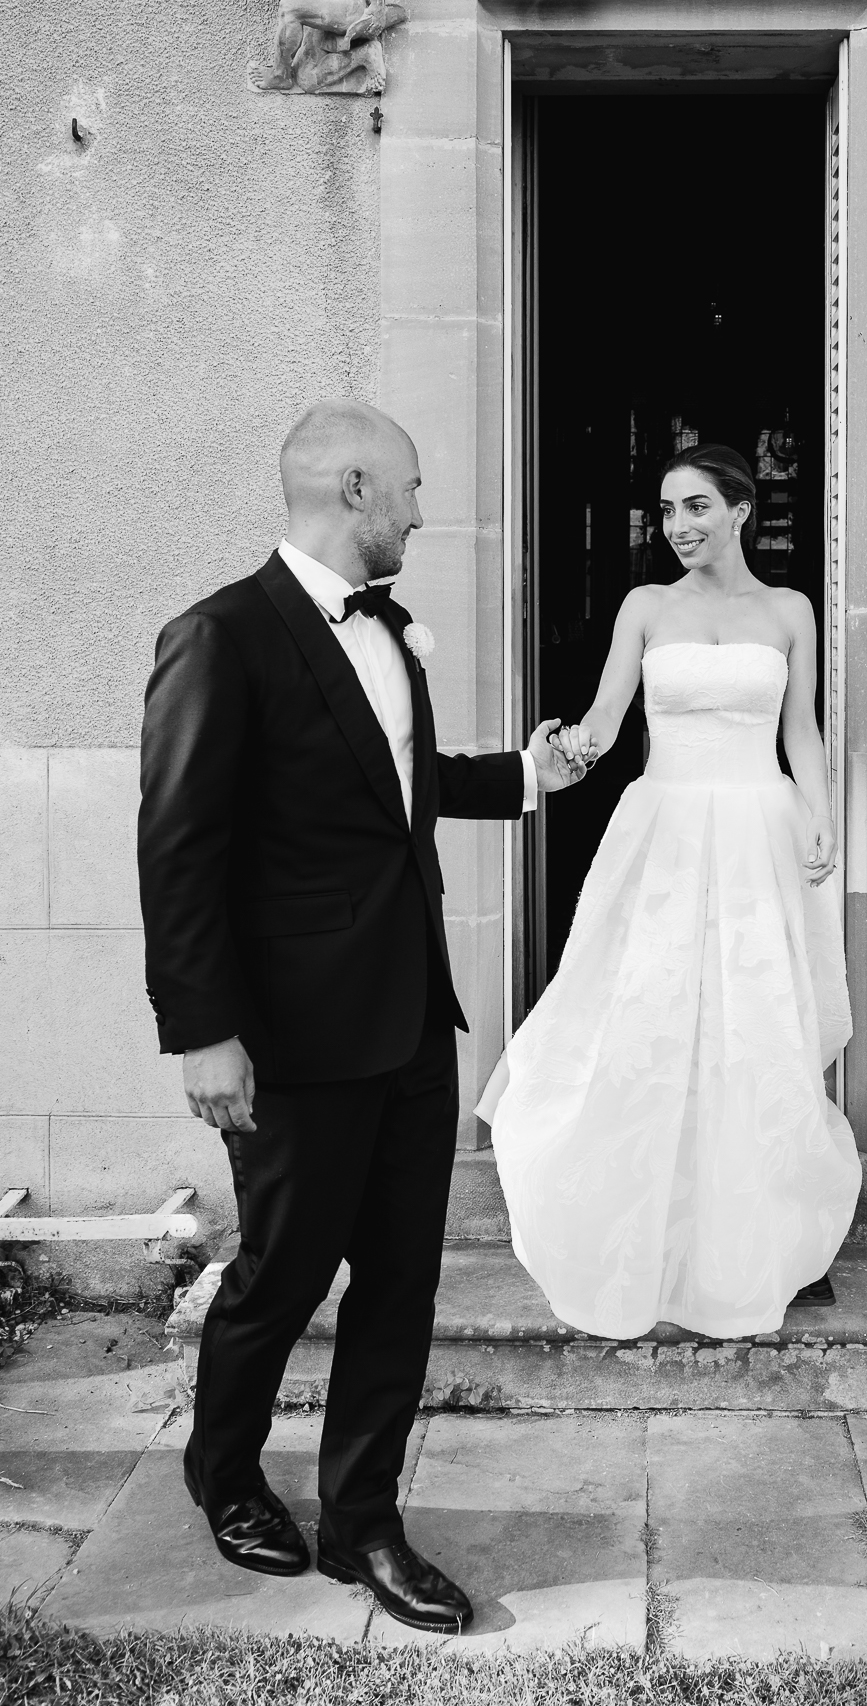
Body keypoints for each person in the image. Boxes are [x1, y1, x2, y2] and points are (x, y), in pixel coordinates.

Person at [137, 400, 584, 1634]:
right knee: (278, 1279)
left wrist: (526, 776)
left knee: (399, 1286)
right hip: (285, 1037)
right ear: (352, 486)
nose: (424, 509)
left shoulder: (391, 637)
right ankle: (223, 1471)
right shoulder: (222, 635)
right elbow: (179, 845)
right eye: (413, 487)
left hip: (406, 1024)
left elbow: (397, 789)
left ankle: (363, 1519)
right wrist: (200, 1029)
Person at [480, 442, 862, 1340]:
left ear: (740, 510)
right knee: (656, 1015)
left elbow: (799, 730)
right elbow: (608, 725)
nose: (677, 527)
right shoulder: (645, 607)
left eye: (695, 507)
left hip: (759, 829)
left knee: (758, 1019)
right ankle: (643, 1233)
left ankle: (762, 1236)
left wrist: (819, 813)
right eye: (666, 511)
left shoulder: (791, 610)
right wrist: (562, 750)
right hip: (668, 832)